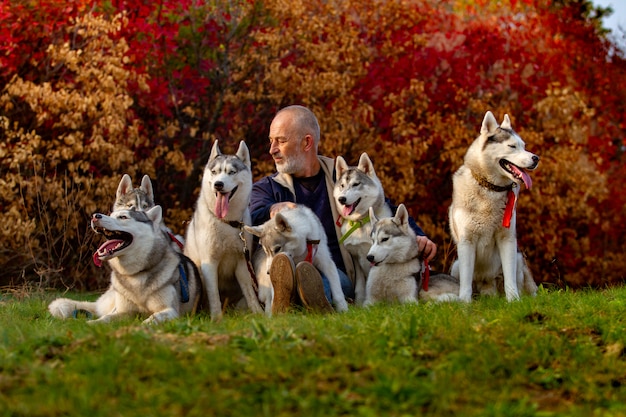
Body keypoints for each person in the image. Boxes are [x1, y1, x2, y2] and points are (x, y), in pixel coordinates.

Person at [249, 105, 437, 313]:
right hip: (289, 262)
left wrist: (419, 236)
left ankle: (301, 299)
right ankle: (303, 300)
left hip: (340, 274)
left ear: (307, 142)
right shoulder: (268, 188)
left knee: (315, 276)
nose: (272, 149)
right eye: (271, 141)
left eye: (281, 141)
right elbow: (252, 214)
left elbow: (384, 208)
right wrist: (273, 208)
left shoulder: (341, 178)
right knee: (292, 269)